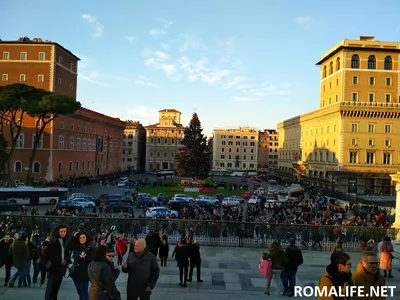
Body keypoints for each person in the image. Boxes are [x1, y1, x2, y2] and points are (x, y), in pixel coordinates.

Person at [44, 224, 70, 300]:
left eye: (64, 231)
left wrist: (67, 260)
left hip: (61, 268)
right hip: (53, 268)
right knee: (51, 287)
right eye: (61, 231)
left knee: (56, 287)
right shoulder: (53, 241)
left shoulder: (66, 241)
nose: (63, 233)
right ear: (58, 232)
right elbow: (47, 255)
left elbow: (67, 253)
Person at [67, 231, 93, 300]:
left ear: (86, 238)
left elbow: (93, 260)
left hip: (84, 274)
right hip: (75, 273)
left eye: (84, 237)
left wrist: (86, 256)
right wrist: (73, 237)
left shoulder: (90, 248)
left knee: (84, 293)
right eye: (80, 238)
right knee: (79, 292)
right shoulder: (76, 247)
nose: (82, 239)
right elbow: (66, 247)